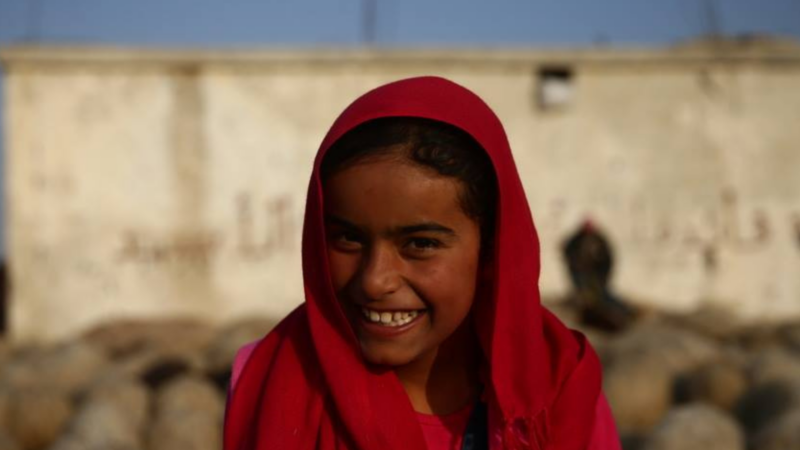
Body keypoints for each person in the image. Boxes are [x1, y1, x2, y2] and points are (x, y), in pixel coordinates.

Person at [224, 77, 621, 450]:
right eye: (348, 238)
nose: (375, 280)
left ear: (490, 251)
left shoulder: (560, 391)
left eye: (420, 243)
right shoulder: (266, 379)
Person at [562, 220, 635, 332]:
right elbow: (568, 250)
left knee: (602, 294)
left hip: (597, 274)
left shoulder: (599, 240)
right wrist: (576, 264)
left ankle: (625, 311)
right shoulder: (577, 240)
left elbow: (607, 258)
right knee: (587, 295)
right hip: (584, 274)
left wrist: (601, 270)